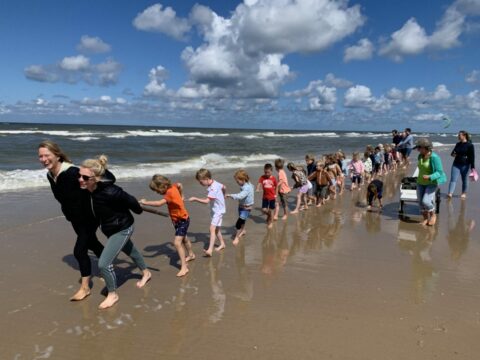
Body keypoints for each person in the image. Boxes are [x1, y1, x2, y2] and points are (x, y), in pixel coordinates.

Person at [79, 155, 151, 309]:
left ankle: (113, 294)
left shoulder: (112, 191)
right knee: (130, 250)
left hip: (123, 228)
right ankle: (146, 272)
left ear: (96, 178)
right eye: (79, 175)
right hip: (110, 228)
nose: (80, 179)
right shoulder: (89, 188)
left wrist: (138, 208)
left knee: (104, 263)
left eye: (84, 177)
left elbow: (131, 201)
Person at [38, 140, 105, 301]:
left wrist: (115, 197)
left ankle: (85, 288)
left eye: (47, 155)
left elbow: (100, 181)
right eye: (40, 156)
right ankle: (107, 267)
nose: (43, 159)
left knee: (79, 251)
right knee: (92, 243)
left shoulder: (72, 171)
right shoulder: (50, 174)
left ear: (57, 155)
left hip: (89, 216)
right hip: (74, 217)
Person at [140, 175, 195, 277]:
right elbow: (180, 185)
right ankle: (191, 254)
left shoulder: (169, 193)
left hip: (182, 220)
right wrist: (181, 196)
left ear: (163, 186)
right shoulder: (173, 186)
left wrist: (145, 202)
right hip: (180, 219)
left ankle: (184, 267)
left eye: (157, 190)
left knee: (177, 243)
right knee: (184, 239)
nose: (157, 193)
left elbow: (158, 203)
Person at [189, 168, 226, 257]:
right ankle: (222, 244)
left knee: (211, 229)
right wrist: (224, 195)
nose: (200, 184)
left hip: (218, 211)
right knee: (216, 229)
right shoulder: (216, 183)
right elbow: (224, 187)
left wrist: (195, 199)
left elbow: (206, 201)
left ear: (206, 178)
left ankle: (210, 250)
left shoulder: (212, 188)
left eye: (201, 182)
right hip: (217, 210)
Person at [415, 138, 446, 226]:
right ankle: (425, 219)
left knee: (426, 201)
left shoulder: (435, 157)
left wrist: (430, 177)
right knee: (421, 202)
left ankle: (433, 215)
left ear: (426, 148)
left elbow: (439, 172)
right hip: (420, 182)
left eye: (419, 147)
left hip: (431, 183)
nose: (418, 149)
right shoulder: (420, 156)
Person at [226, 169, 254, 246]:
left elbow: (241, 196)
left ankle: (237, 238)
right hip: (241, 206)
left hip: (246, 208)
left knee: (238, 223)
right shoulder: (248, 184)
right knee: (242, 221)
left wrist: (230, 195)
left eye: (237, 181)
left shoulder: (246, 188)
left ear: (243, 179)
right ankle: (243, 230)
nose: (237, 183)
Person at [447, 131, 475, 199]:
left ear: (464, 136)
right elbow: (452, 153)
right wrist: (454, 154)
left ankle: (463, 193)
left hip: (465, 165)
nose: (458, 136)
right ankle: (450, 193)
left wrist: (472, 167)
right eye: (458, 135)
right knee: (453, 179)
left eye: (460, 135)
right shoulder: (458, 144)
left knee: (464, 180)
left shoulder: (470, 145)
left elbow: (472, 156)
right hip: (456, 164)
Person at [256, 163, 278, 228]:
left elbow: (276, 187)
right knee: (264, 209)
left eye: (268, 172)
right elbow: (259, 183)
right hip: (265, 197)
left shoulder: (273, 178)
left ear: (271, 171)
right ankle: (269, 215)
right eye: (265, 172)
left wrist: (276, 195)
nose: (267, 174)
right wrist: (257, 188)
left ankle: (271, 222)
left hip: (272, 197)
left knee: (271, 210)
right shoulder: (262, 177)